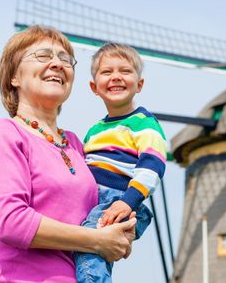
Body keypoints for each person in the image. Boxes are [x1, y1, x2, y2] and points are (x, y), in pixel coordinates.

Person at [0, 26, 137, 283]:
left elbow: (99, 208)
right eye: (42, 56)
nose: (57, 64)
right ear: (14, 77)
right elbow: (11, 222)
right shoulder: (6, 133)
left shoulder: (76, 144)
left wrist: (122, 229)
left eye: (65, 59)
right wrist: (97, 241)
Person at [74, 43, 168, 282]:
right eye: (107, 72)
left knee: (89, 247)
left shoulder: (144, 124)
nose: (116, 76)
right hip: (95, 199)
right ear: (94, 87)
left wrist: (129, 202)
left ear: (140, 84)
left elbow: (152, 166)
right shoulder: (94, 130)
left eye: (125, 71)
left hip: (118, 199)